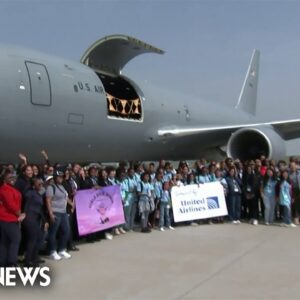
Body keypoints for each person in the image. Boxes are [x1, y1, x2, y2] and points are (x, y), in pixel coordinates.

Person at [0, 170, 25, 267]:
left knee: (5, 241)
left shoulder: (10, 188)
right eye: (10, 177)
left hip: (9, 219)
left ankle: (3, 262)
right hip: (8, 219)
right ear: (4, 179)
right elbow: (11, 206)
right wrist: (20, 214)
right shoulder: (4, 189)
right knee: (16, 240)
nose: (13, 179)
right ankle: (11, 263)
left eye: (14, 177)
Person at [46, 170, 72, 260]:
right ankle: (52, 252)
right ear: (55, 177)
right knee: (53, 232)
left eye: (62, 177)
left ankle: (62, 250)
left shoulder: (62, 186)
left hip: (63, 212)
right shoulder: (51, 187)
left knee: (66, 231)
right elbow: (48, 201)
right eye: (59, 177)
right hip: (55, 212)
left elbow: (66, 197)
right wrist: (51, 213)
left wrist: (72, 204)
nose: (61, 178)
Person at [23, 177, 48, 266]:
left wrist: (45, 221)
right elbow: (25, 198)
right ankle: (28, 261)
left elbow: (40, 209)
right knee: (32, 240)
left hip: (36, 219)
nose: (41, 185)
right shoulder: (30, 193)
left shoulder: (38, 194)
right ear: (33, 185)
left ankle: (34, 257)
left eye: (42, 183)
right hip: (30, 218)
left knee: (39, 238)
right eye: (39, 184)